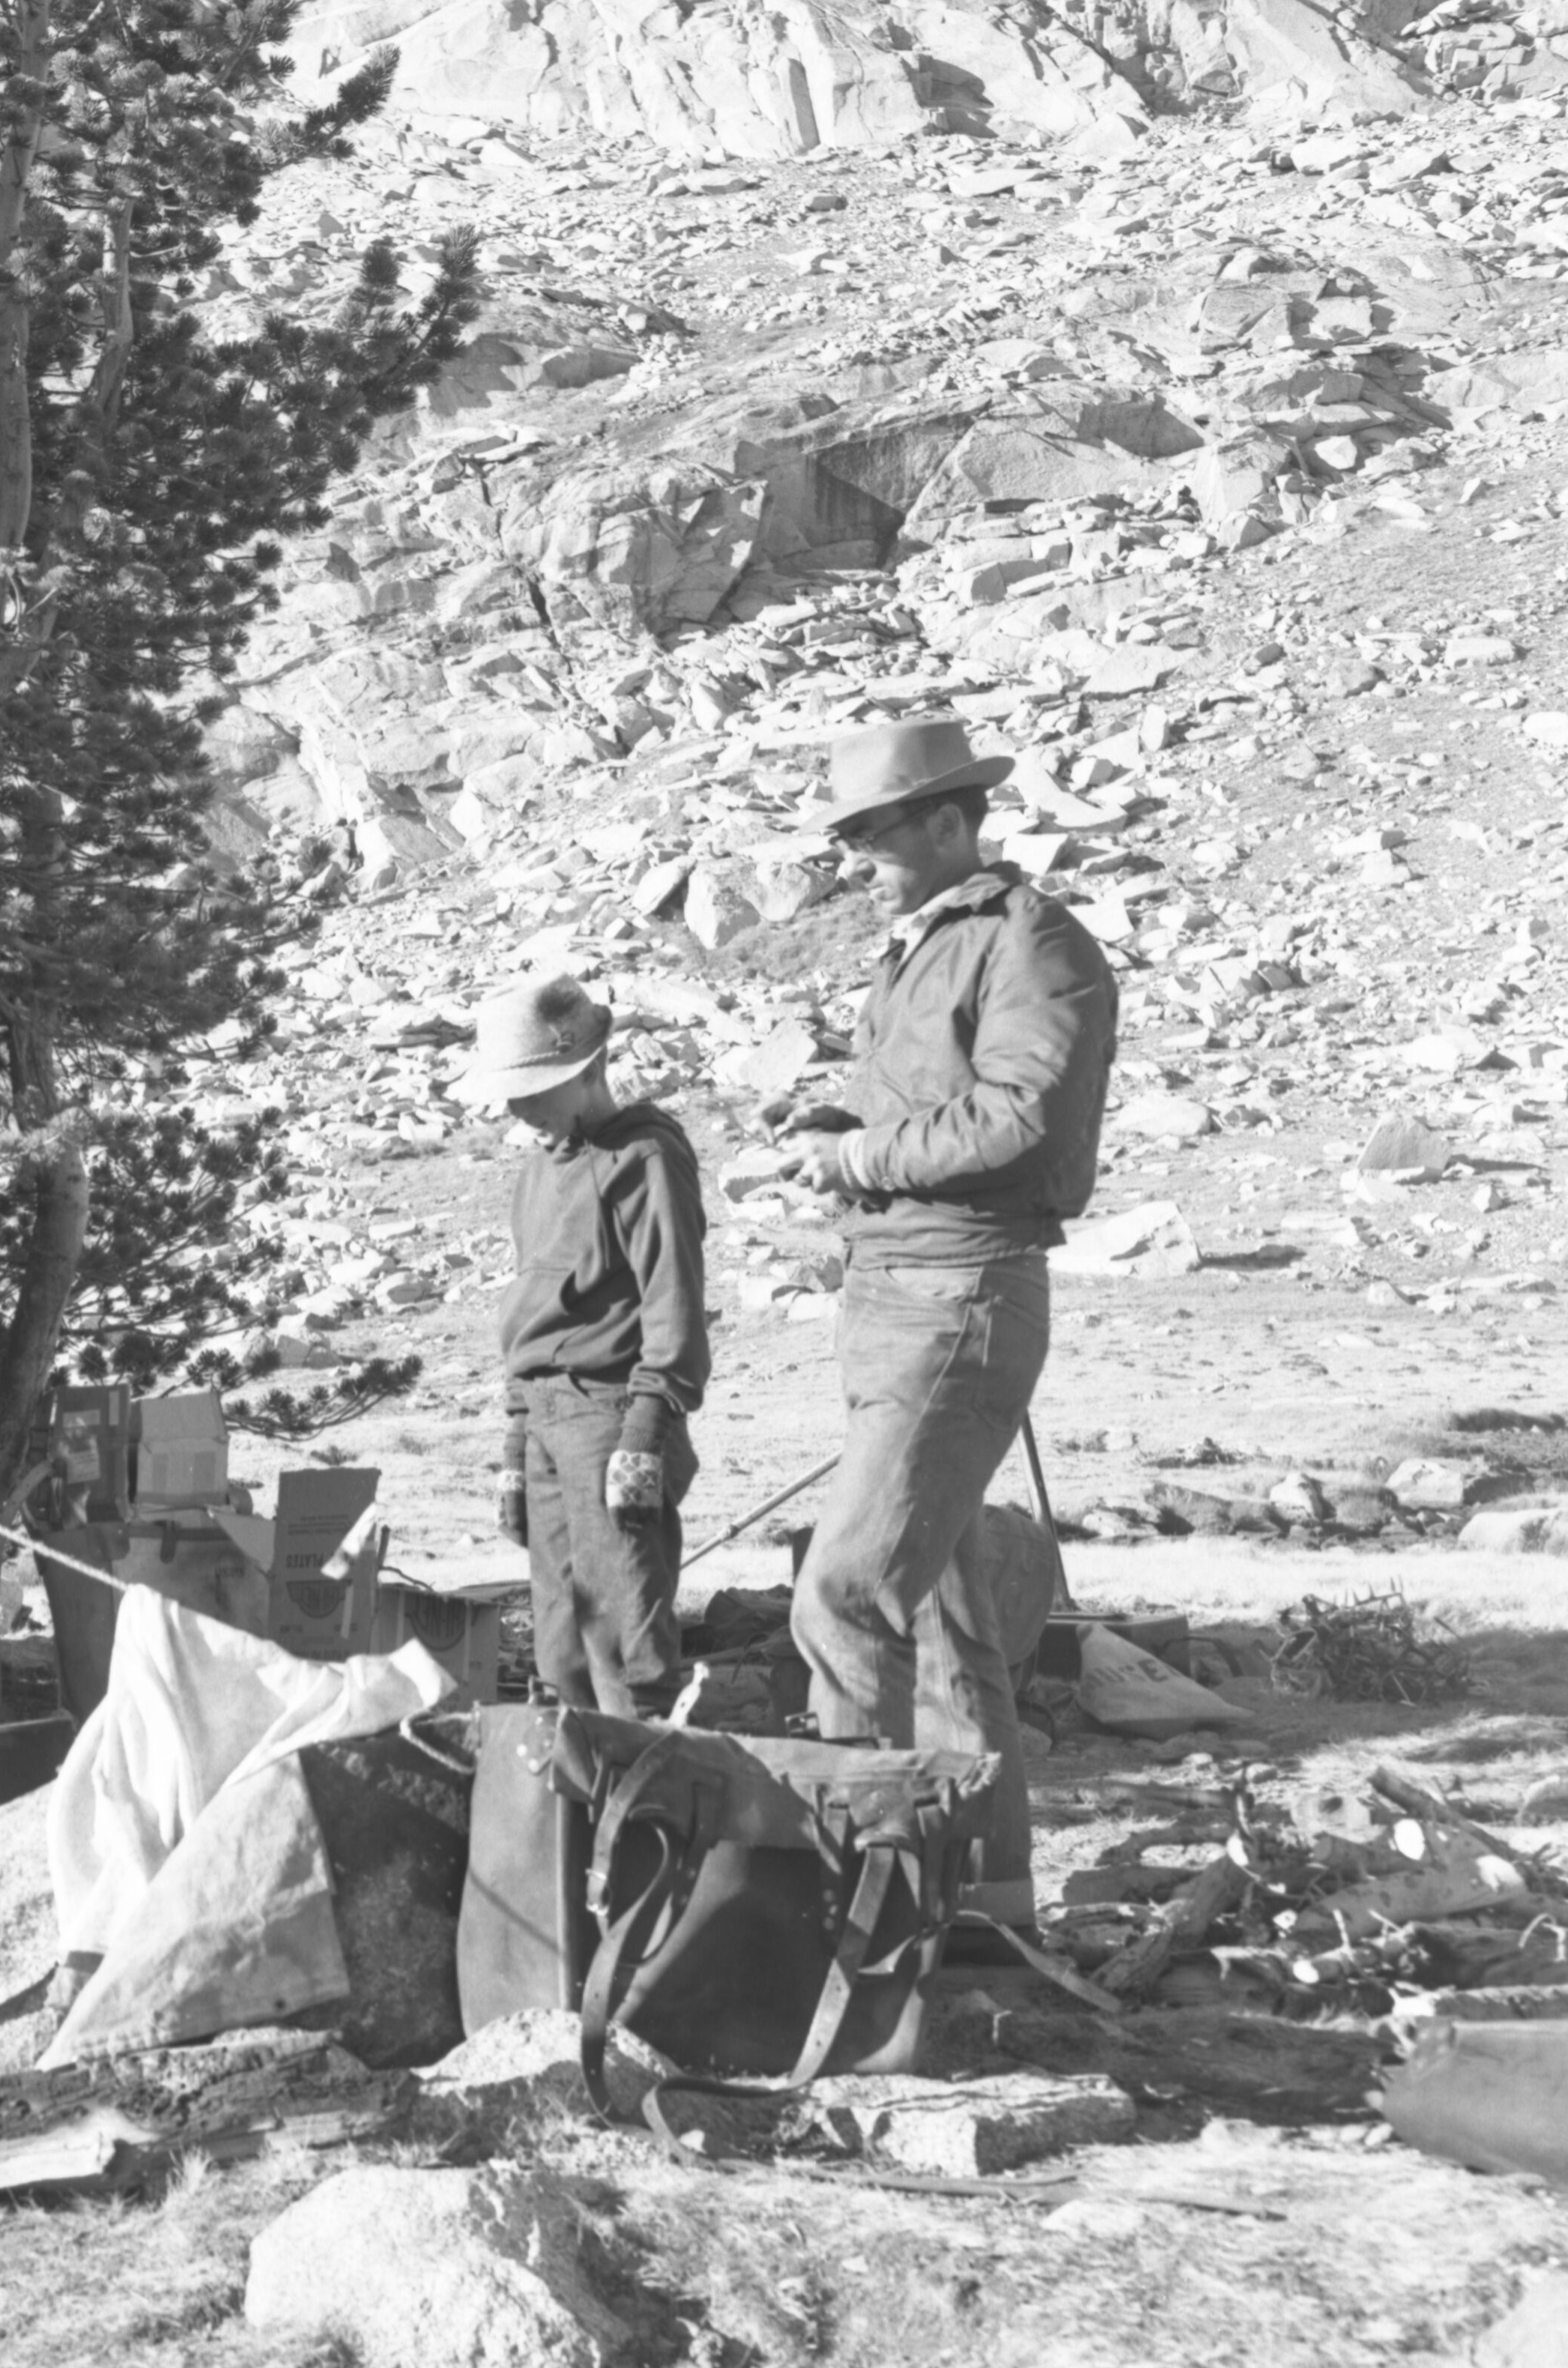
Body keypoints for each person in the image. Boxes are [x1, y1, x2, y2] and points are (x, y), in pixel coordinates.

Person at [772, 713, 1119, 1831]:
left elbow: (1021, 1116)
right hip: (898, 1292)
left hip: (956, 1297)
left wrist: (857, 1158)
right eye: (846, 837)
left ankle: (854, 1888)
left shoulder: (1031, 941)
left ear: (946, 822)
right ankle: (980, 1894)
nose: (853, 858)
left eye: (869, 833)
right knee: (943, 1622)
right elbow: (939, 1106)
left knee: (843, 1597)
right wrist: (838, 1124)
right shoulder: (926, 944)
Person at [458, 969, 711, 1718]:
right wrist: (515, 1443)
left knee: (624, 1644)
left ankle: (642, 1786)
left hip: (610, 1419)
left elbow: (673, 1299)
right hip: (543, 1419)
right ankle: (569, 1787)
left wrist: (646, 1432)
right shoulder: (537, 1173)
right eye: (513, 1094)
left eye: (536, 1090)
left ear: (591, 1067)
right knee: (559, 1647)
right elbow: (530, 1318)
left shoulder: (646, 1157)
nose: (520, 1109)